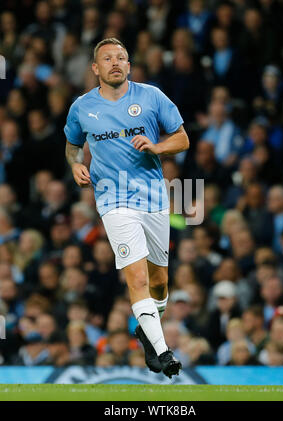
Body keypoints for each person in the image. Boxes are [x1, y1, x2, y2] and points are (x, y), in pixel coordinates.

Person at [64, 38, 189, 378]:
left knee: (159, 281)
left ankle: (148, 332)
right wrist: (76, 165)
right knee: (135, 277)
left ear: (129, 66)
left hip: (154, 199)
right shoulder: (81, 107)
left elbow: (183, 138)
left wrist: (158, 146)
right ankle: (163, 352)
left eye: (122, 57)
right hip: (113, 201)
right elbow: (72, 145)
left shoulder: (151, 96)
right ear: (95, 68)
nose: (115, 62)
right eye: (107, 58)